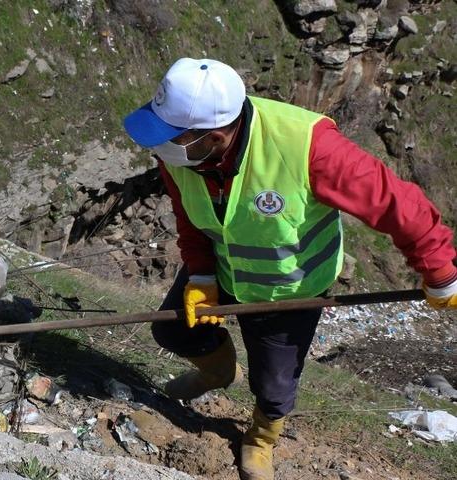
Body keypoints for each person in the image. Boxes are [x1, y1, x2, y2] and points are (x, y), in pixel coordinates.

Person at [123, 58, 457, 480]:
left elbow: (395, 202)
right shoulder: (180, 156)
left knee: (275, 385)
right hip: (225, 268)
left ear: (218, 134)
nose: (161, 150)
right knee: (171, 329)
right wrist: (203, 275)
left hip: (290, 289)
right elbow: (190, 217)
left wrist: (439, 271)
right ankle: (219, 370)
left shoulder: (307, 144)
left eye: (172, 139)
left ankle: (261, 437)